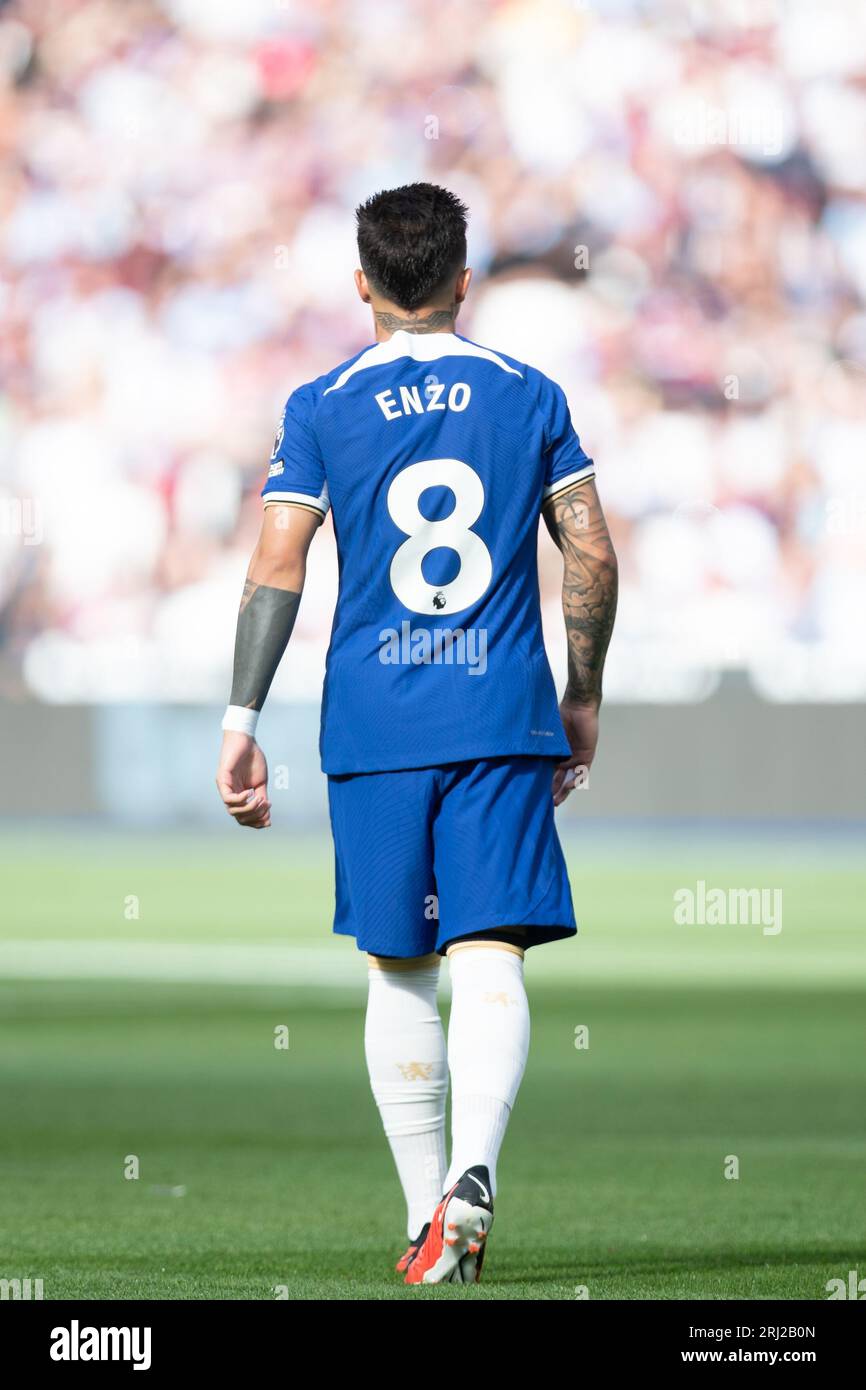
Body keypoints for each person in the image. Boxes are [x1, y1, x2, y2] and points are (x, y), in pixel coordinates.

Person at [215, 182, 618, 1285]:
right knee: (489, 945)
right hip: (497, 710)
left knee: (398, 964)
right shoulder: (526, 392)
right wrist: (580, 691)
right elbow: (587, 553)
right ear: (459, 282)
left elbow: (275, 567)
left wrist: (242, 719)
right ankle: (472, 1172)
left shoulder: (321, 403)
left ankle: (421, 1214)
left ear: (361, 283)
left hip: (376, 715)